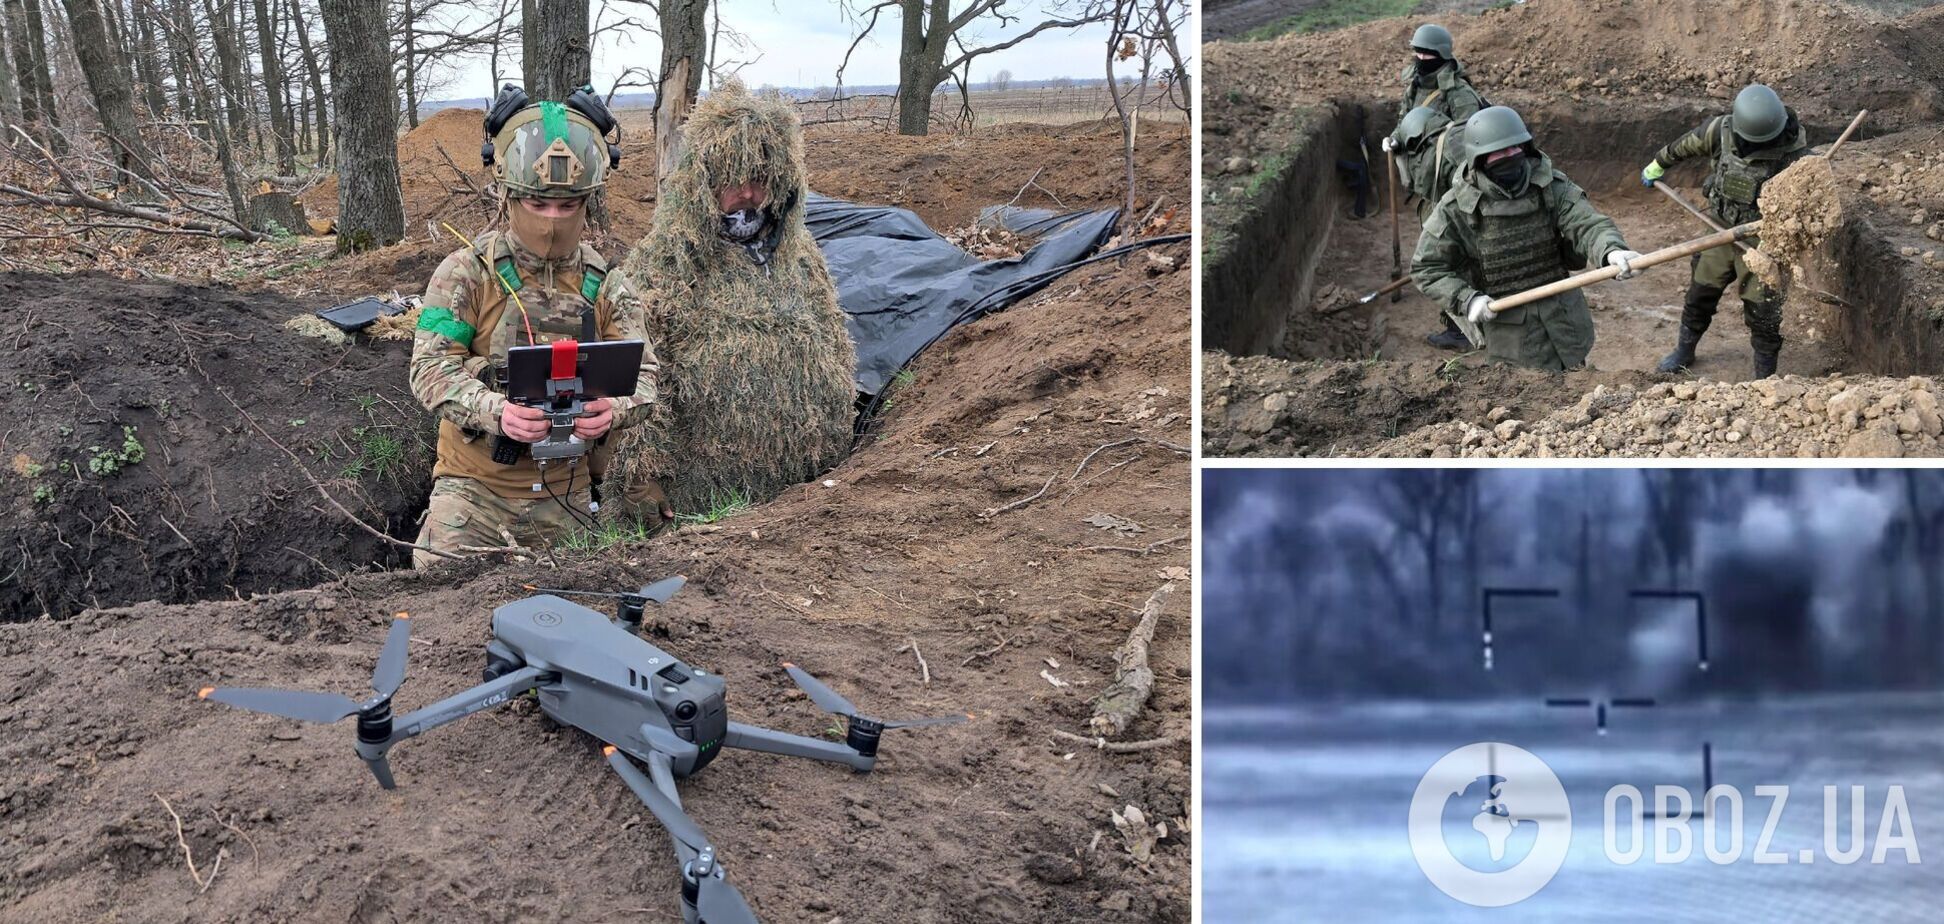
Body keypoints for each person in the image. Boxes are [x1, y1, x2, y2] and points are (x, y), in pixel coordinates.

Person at [407, 87, 663, 567]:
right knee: (436, 586)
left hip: (569, 492)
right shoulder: (465, 273)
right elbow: (429, 369)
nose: (552, 220)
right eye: (538, 205)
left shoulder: (609, 284)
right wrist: (496, 412)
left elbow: (646, 376)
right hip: (476, 493)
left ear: (588, 202)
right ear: (508, 196)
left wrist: (615, 409)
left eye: (567, 207)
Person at [604, 81, 857, 521]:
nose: (746, 193)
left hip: (809, 497)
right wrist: (642, 480)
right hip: (704, 504)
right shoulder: (666, 264)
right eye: (731, 179)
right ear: (703, 183)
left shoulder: (801, 260)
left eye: (758, 179)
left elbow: (834, 351)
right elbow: (638, 382)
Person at [1413, 106, 1643, 371]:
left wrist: (1611, 251)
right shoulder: (1455, 209)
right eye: (1499, 152)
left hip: (1563, 320)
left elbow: (1586, 223)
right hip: (1511, 333)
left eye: (1515, 148)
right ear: (1479, 159)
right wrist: (1467, 299)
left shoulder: (1550, 185)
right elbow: (1425, 268)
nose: (1510, 156)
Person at [1641, 84, 1809, 378]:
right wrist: (1658, 163)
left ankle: (1765, 378)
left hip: (1762, 241)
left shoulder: (1795, 155)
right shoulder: (1721, 131)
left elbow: (1803, 206)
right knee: (1700, 294)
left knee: (1764, 311)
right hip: (1718, 228)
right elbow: (1686, 145)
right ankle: (1685, 350)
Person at [1389, 104, 1473, 351]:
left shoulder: (1431, 158)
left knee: (1450, 269)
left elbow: (1425, 193)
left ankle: (1459, 333)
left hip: (1460, 222)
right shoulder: (1458, 137)